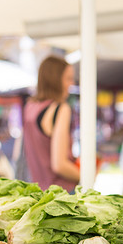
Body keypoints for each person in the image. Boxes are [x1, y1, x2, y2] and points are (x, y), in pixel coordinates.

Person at [23, 56, 79, 192]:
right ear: (55, 80)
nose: (71, 84)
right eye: (68, 79)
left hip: (39, 193)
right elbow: (59, 164)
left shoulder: (30, 107)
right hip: (62, 193)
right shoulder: (61, 108)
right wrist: (86, 176)